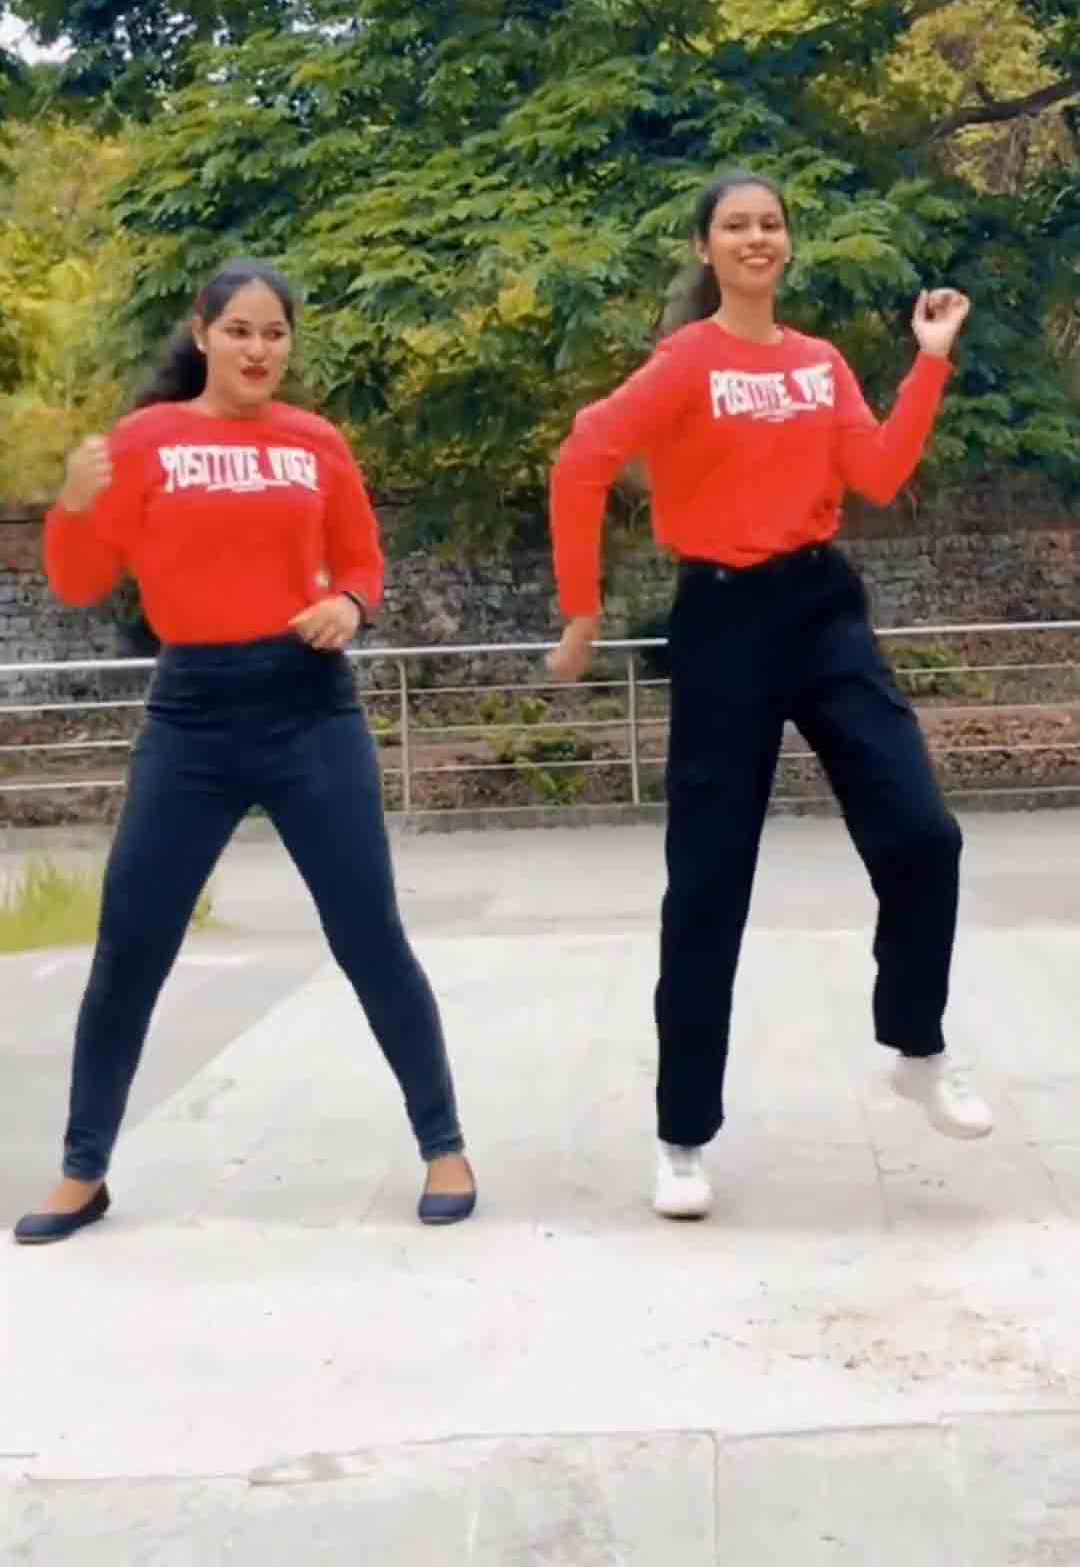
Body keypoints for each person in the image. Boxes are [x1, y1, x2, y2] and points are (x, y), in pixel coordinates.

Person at [548, 171, 993, 1221]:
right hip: (722, 623)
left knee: (923, 834)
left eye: (771, 224)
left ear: (789, 244)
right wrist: (581, 611)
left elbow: (877, 474)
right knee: (709, 881)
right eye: (736, 226)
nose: (757, 238)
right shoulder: (685, 362)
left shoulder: (819, 363)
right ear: (705, 249)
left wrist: (929, 364)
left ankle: (917, 1046)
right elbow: (582, 459)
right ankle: (682, 1135)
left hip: (822, 609)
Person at [14, 259, 476, 1244]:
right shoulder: (146, 441)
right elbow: (82, 582)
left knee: (368, 931)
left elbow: (363, 560)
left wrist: (348, 604)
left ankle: (444, 1146)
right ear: (203, 334)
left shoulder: (316, 443)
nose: (259, 350)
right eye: (240, 332)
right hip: (192, 715)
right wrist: (74, 504)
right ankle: (83, 1169)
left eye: (275, 334)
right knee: (132, 940)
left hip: (310, 708)